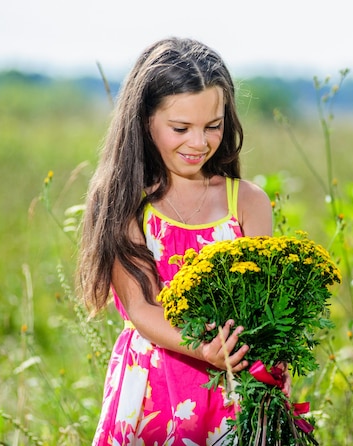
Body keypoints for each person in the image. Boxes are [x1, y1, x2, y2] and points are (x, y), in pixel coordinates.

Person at [77, 37, 275, 445]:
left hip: (234, 390)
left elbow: (265, 303)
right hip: (153, 386)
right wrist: (203, 348)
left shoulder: (247, 202)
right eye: (181, 128)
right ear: (145, 120)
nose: (199, 143)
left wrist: (270, 356)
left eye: (213, 126)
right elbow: (140, 307)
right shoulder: (125, 202)